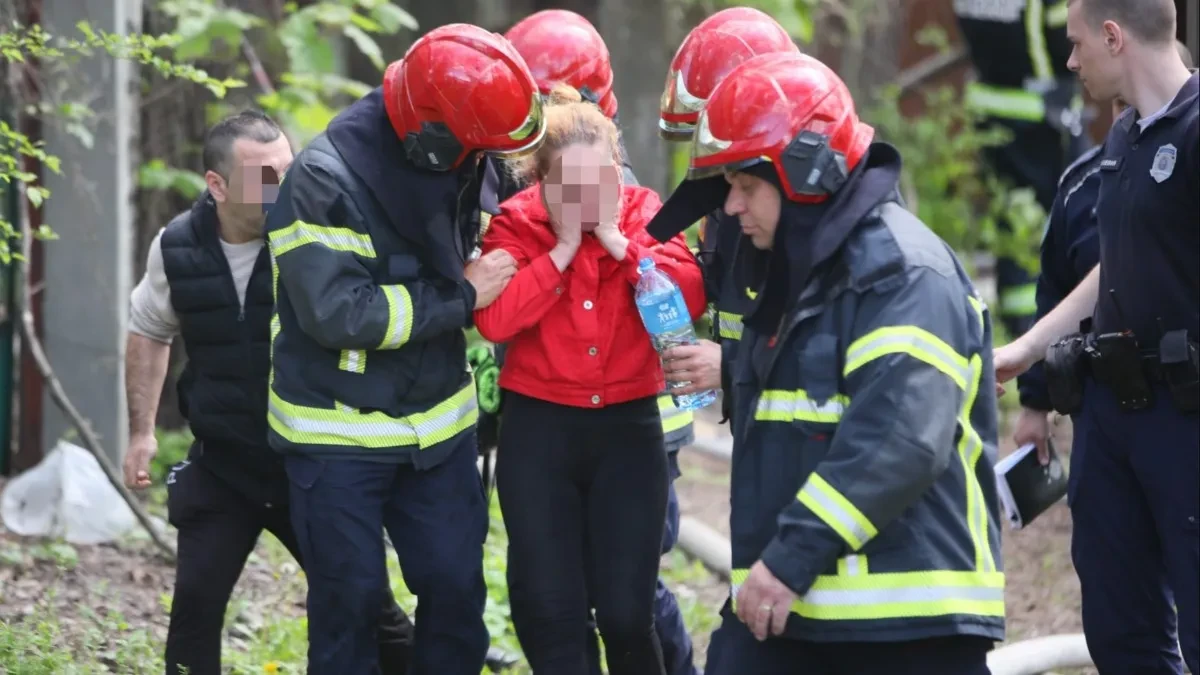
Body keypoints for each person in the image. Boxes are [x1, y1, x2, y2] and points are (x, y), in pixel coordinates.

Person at [649, 51, 1005, 675]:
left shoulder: (901, 273)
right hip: (800, 610)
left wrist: (788, 559)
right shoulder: (802, 272)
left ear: (806, 174)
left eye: (745, 186)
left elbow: (900, 440)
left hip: (902, 622)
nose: (730, 208)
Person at [263, 24, 545, 675]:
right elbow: (338, 312)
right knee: (350, 604)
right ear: (434, 136)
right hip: (337, 432)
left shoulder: (458, 151)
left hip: (436, 430)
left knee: (455, 592)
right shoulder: (321, 180)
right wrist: (463, 297)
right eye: (473, 152)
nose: (482, 165)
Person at [122, 111, 415, 675]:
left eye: (290, 170)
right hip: (224, 464)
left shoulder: (318, 236)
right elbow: (149, 330)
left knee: (370, 609)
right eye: (265, 178)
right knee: (193, 617)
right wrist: (141, 433)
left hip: (309, 460)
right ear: (217, 185)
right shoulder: (177, 246)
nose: (284, 189)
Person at [473, 85, 707, 675]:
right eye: (568, 188)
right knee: (553, 615)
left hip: (627, 429)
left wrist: (618, 244)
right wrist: (561, 251)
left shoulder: (645, 211)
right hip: (539, 432)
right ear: (539, 183)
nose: (586, 198)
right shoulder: (516, 224)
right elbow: (494, 317)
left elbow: (687, 299)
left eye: (599, 183)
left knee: (628, 614)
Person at [995, 1, 1198, 672]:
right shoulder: (1122, 139)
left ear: (1114, 38)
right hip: (1113, 420)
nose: (1071, 62)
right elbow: (1115, 261)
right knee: (1120, 629)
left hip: (1184, 415)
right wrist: (1028, 349)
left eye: (1078, 45)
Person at [1012, 38, 1194, 462]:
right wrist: (1035, 400)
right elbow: (1054, 289)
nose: (1126, 119)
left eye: (1134, 105)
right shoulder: (1080, 186)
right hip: (1101, 399)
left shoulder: (1184, 155)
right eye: (1118, 107)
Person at [647, 7, 799, 418]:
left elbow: (823, 358)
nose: (730, 192)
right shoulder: (729, 204)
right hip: (753, 424)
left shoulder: (808, 223)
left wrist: (730, 365)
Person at [954, 0, 1093, 338]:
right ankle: (1041, 328)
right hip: (1042, 116)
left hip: (988, 107)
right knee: (1056, 220)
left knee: (1008, 220)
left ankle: (1015, 324)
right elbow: (1065, 40)